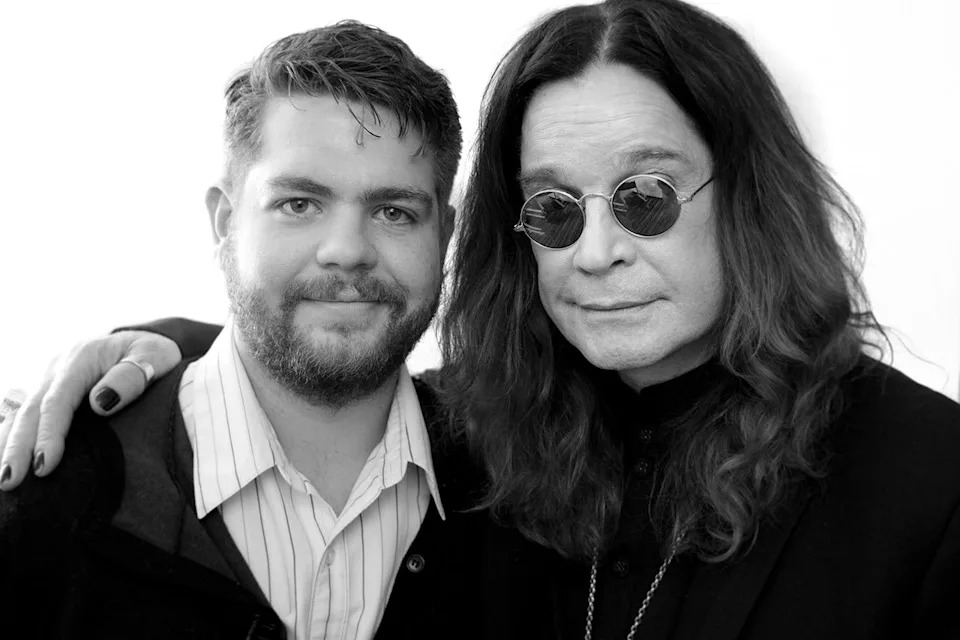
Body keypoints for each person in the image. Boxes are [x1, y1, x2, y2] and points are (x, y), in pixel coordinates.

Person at [3, 0, 960, 638]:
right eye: (552, 207)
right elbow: (306, 368)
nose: (595, 251)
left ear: (748, 196)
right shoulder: (501, 445)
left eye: (645, 196)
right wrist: (172, 361)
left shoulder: (927, 480)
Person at [0, 19, 527, 640]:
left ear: (443, 233)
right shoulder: (49, 501)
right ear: (225, 223)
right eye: (299, 204)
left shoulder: (523, 493)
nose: (346, 251)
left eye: (394, 211)